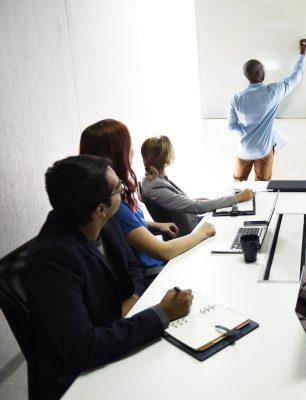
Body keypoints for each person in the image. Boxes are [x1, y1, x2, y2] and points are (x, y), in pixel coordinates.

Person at [27, 155, 194, 399]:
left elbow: (132, 266)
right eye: (119, 189)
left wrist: (134, 297)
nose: (124, 192)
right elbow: (83, 349)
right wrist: (162, 313)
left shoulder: (102, 221)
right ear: (100, 207)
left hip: (115, 331)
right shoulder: (53, 259)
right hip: (81, 378)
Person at [80, 119, 215, 276]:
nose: (132, 150)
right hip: (152, 272)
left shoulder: (112, 196)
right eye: (128, 144)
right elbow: (164, 252)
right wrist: (202, 233)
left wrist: (155, 226)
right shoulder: (115, 204)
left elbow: (126, 225)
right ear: (118, 153)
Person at [227, 38, 306, 181]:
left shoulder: (236, 97)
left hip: (244, 151)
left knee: (238, 187)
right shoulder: (273, 92)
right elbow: (295, 77)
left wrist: (246, 133)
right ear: (259, 73)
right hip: (263, 151)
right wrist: (302, 53)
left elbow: (231, 125)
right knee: (262, 188)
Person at [140, 135, 253, 237]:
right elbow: (196, 207)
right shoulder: (154, 187)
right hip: (187, 234)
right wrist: (237, 198)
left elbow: (177, 203)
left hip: (193, 224)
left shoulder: (156, 180)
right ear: (166, 157)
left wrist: (201, 200)